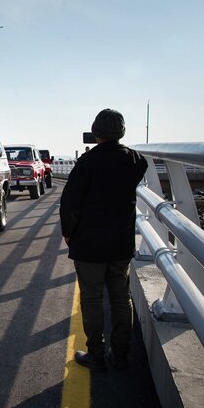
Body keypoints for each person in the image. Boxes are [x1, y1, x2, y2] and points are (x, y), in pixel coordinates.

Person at [60, 108, 148, 371]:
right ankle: (121, 354)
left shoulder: (87, 162)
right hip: (121, 242)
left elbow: (70, 203)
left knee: (92, 298)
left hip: (89, 244)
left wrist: (68, 233)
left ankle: (96, 355)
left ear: (95, 132)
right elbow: (137, 165)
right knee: (121, 297)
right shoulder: (134, 160)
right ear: (121, 132)